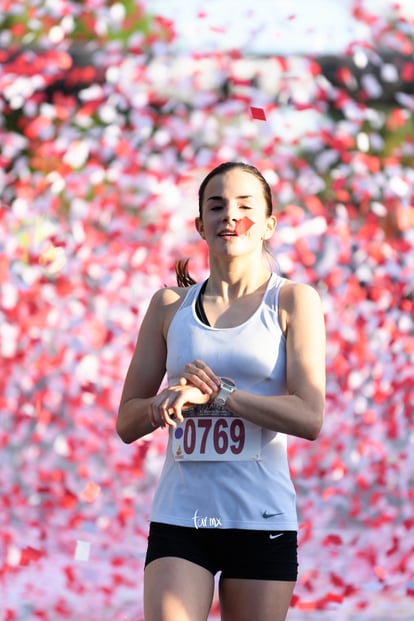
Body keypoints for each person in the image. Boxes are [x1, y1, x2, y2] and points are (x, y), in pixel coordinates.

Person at [116, 161, 326, 621]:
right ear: (200, 225)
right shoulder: (169, 306)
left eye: (245, 206)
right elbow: (127, 422)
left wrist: (222, 396)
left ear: (268, 225)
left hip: (261, 520)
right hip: (181, 518)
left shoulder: (292, 301)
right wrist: (163, 404)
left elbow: (310, 417)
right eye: (217, 206)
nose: (230, 215)